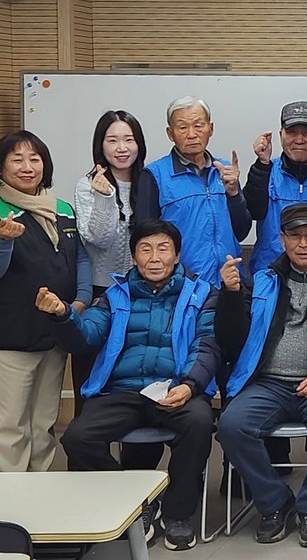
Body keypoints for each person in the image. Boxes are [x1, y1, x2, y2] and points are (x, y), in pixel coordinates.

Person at [42, 219, 216, 551]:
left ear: (177, 256)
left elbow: (207, 344)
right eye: (145, 249)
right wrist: (64, 315)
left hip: (175, 388)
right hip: (123, 391)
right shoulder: (114, 295)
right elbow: (87, 335)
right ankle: (138, 503)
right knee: (78, 437)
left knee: (199, 422)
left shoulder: (201, 293)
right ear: (134, 257)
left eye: (163, 249)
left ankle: (177, 515)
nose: (155, 258)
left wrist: (189, 386)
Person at [214, 204, 307, 548]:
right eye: (295, 236)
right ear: (282, 240)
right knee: (231, 425)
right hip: (268, 384)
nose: (303, 244)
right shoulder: (262, 281)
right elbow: (230, 339)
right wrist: (231, 296)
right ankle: (275, 502)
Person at [0, 130, 91, 473]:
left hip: (55, 333)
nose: (27, 167)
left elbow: (80, 257)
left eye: (34, 159)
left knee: (43, 421)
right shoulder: (1, 211)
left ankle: (40, 488)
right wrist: (4, 242)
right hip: (12, 336)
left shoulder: (61, 209)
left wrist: (81, 299)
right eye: (17, 160)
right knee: (11, 425)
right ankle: (11, 497)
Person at [73, 110, 148, 410]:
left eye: (129, 140)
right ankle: (85, 434)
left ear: (139, 143)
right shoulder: (87, 185)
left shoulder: (149, 181)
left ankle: (133, 441)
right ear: (100, 145)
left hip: (140, 291)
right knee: (91, 370)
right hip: (99, 292)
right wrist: (105, 198)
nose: (121, 148)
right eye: (112, 140)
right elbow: (98, 239)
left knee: (132, 371)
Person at [135, 96, 251, 287]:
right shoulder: (155, 175)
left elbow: (241, 231)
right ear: (170, 133)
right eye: (182, 127)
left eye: (198, 125)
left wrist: (234, 194)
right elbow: (144, 238)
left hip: (229, 281)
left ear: (210, 128)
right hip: (182, 286)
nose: (192, 134)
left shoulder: (225, 170)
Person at [244, 101, 307, 273]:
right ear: (281, 135)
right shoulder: (265, 171)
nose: (299, 140)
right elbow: (250, 212)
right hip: (271, 276)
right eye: (291, 132)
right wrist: (261, 166)